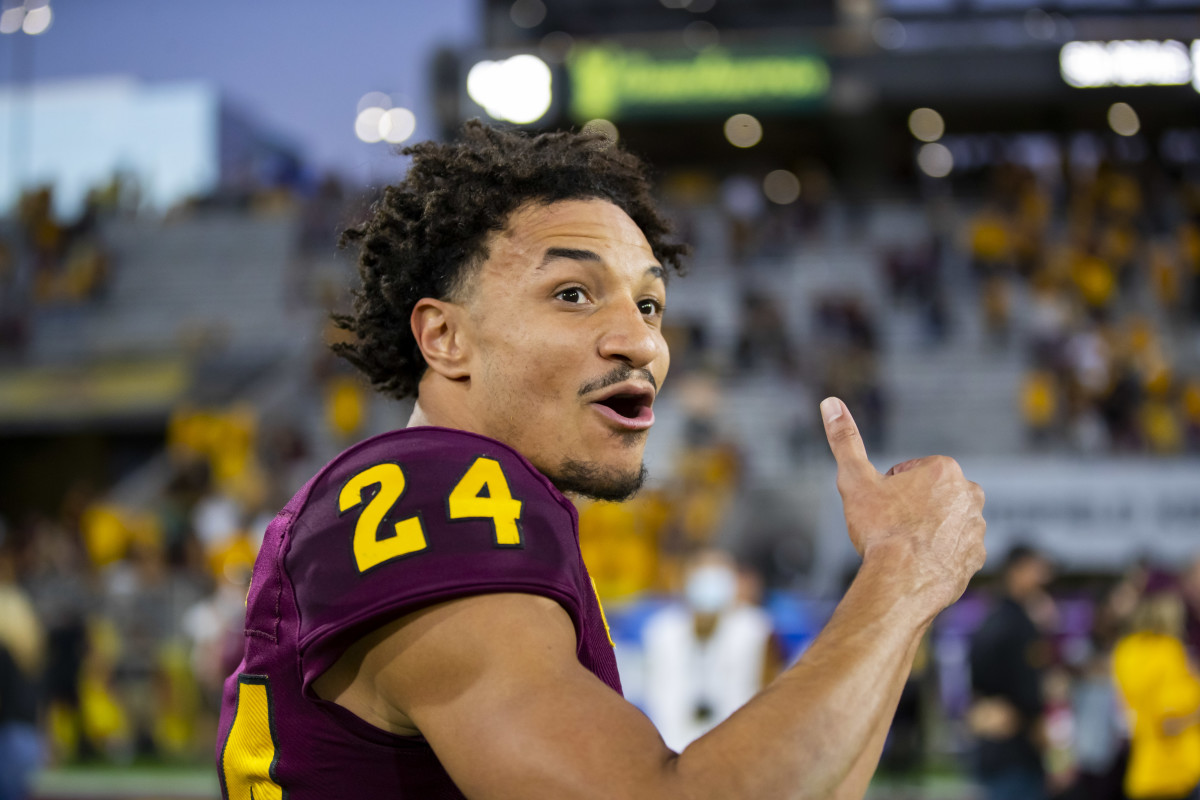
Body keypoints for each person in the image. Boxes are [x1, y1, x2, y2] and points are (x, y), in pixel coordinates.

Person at [215, 121, 987, 799]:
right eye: (574, 294)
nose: (642, 341)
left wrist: (910, 591)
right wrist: (903, 567)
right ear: (445, 338)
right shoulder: (439, 491)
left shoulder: (472, 496)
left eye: (649, 304)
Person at [642, 549, 781, 751]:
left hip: (738, 743)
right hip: (672, 742)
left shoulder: (756, 628)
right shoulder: (662, 629)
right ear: (684, 580)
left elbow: (769, 689)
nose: (710, 584)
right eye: (703, 575)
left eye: (718, 576)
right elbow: (655, 688)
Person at [968, 545, 1055, 800]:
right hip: (1016, 756)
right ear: (1017, 571)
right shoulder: (1017, 625)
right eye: (1036, 570)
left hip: (999, 754)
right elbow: (1029, 694)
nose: (1043, 578)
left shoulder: (993, 619)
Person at [1112, 582, 1200, 800]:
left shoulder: (1125, 649)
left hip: (1143, 768)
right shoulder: (1169, 651)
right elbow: (1169, 721)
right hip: (1177, 770)